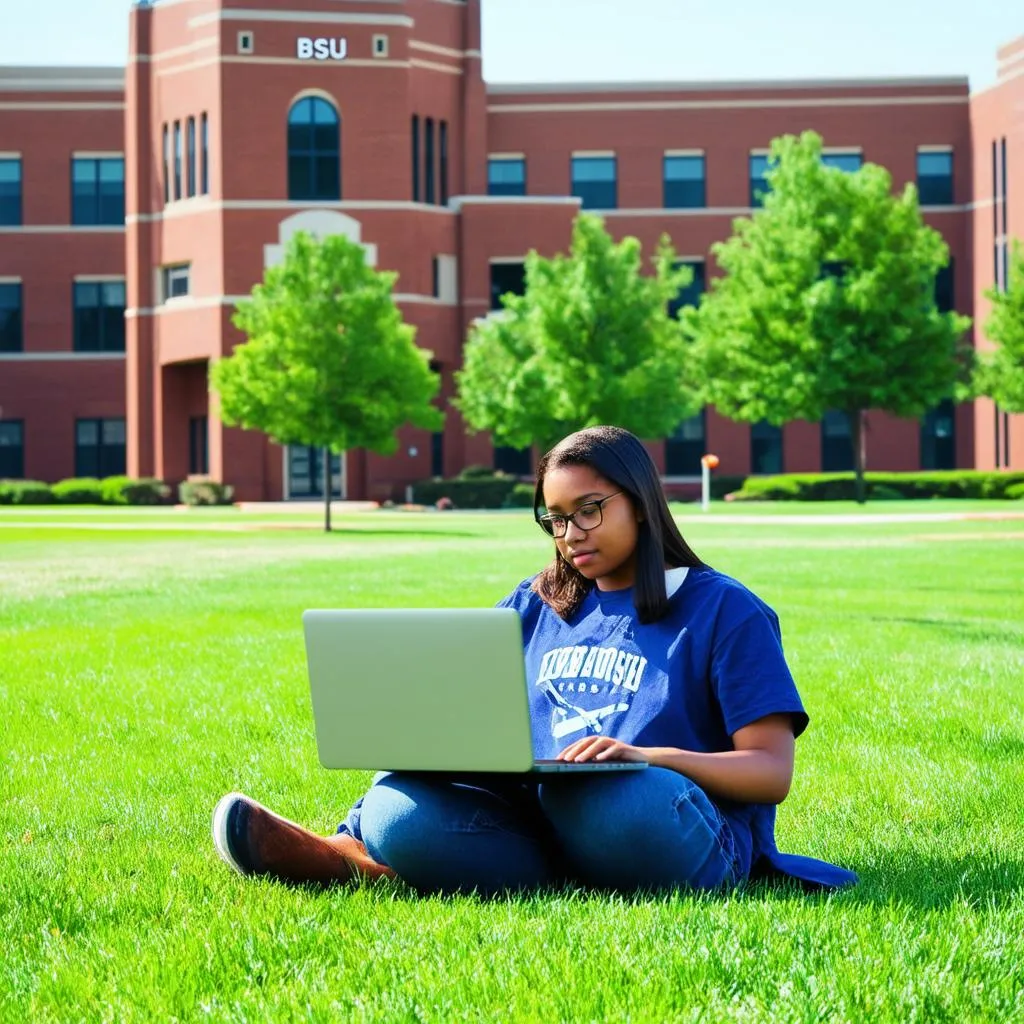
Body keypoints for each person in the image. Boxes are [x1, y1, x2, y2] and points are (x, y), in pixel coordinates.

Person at [212, 425, 858, 896]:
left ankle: (392, 866)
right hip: (536, 825)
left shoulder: (725, 610)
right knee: (398, 808)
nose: (570, 533)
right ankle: (355, 851)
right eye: (554, 518)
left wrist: (645, 757)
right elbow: (464, 720)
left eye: (589, 511)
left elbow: (770, 773)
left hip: (667, 826)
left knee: (616, 803)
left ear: (639, 502)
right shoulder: (531, 605)